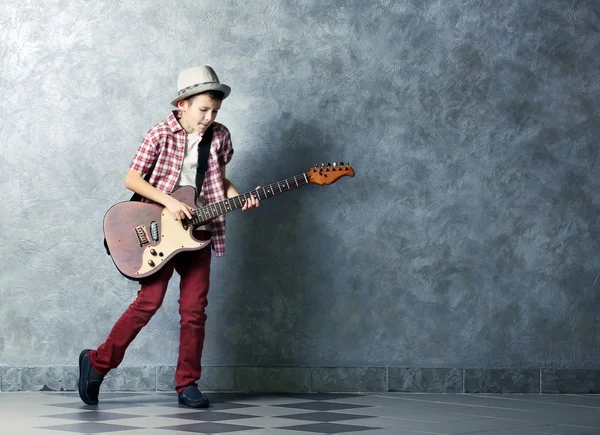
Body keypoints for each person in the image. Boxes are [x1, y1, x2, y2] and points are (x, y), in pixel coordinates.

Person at [78, 65, 259, 408]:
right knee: (148, 301)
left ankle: (187, 384)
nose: (209, 117)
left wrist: (241, 197)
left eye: (215, 111)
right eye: (203, 109)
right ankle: (97, 363)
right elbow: (132, 179)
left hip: (199, 232)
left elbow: (221, 180)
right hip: (160, 232)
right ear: (183, 105)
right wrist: (169, 201)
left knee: (194, 310)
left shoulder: (220, 136)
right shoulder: (160, 133)